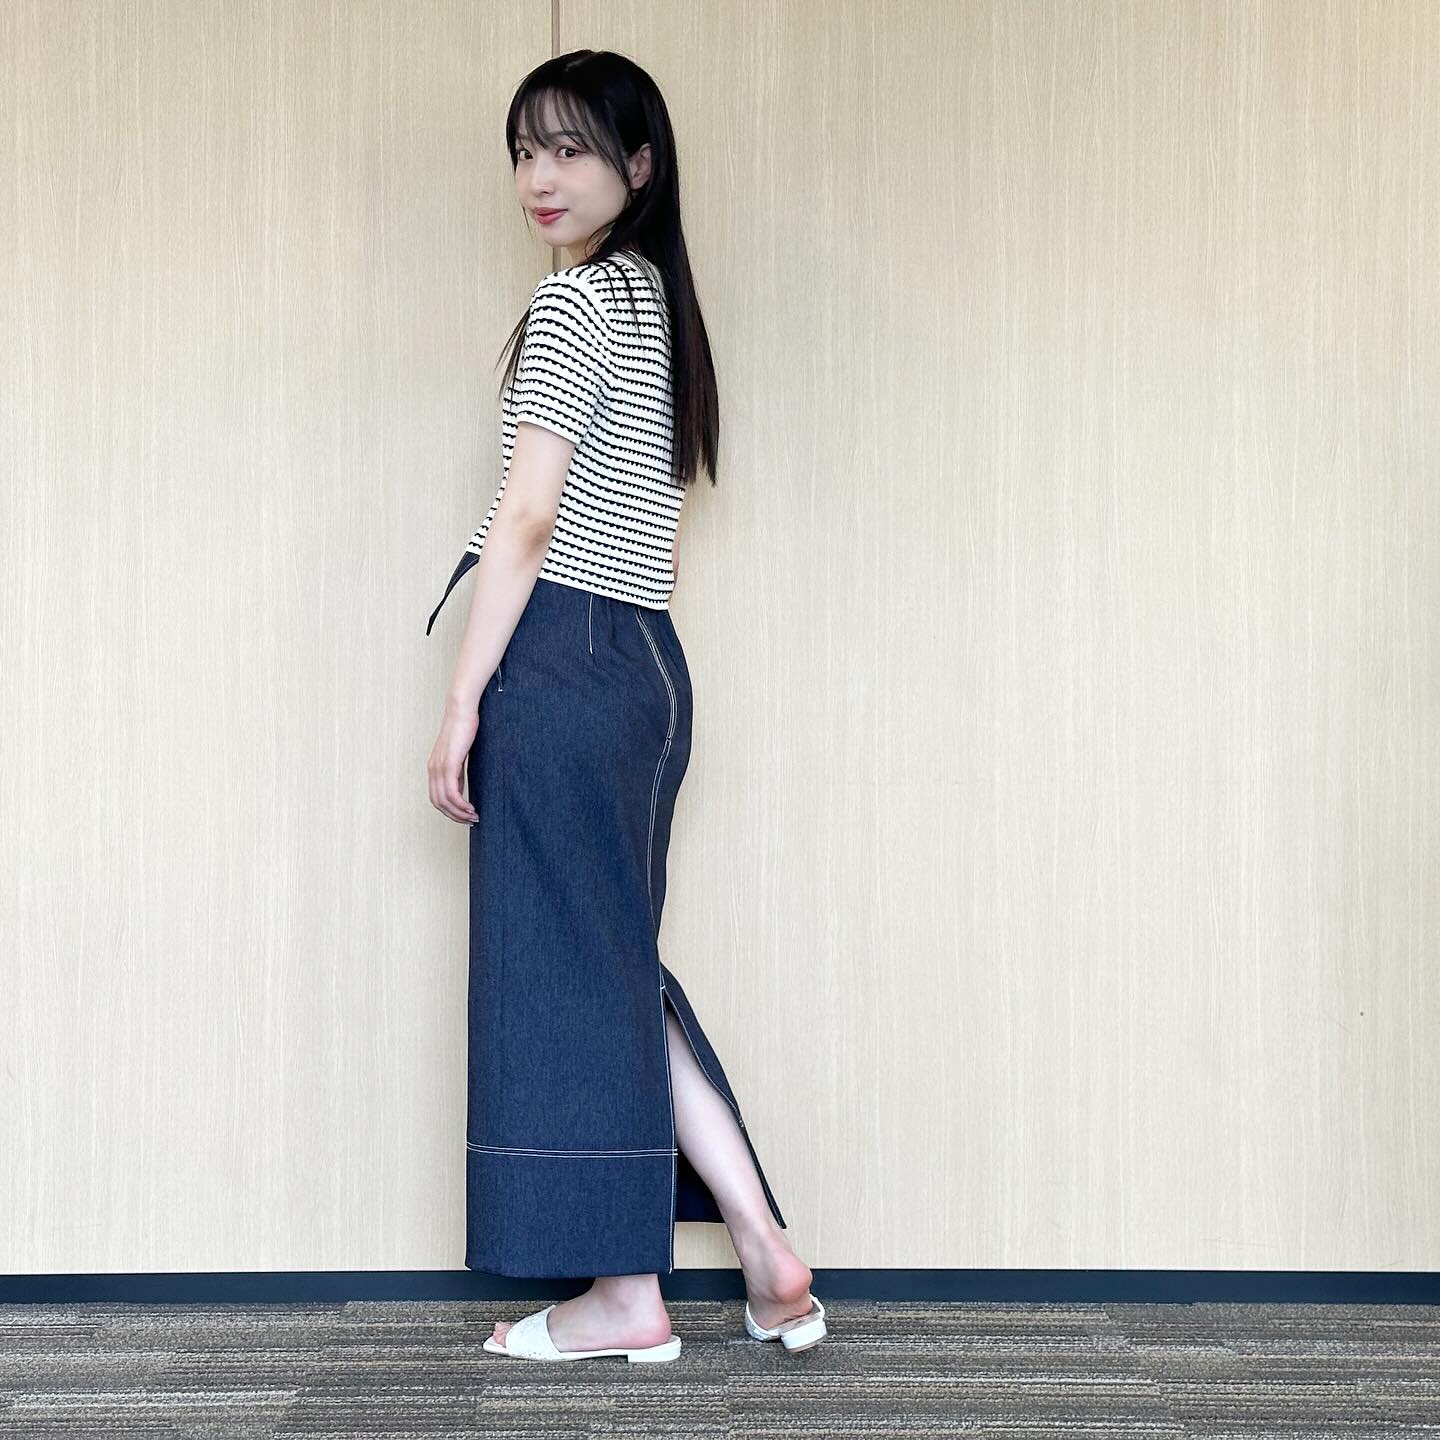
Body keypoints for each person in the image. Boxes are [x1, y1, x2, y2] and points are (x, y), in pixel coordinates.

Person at [424, 51, 826, 1364]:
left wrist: (463, 700)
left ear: (636, 165)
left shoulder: (574, 305)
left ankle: (623, 1296)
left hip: (565, 659)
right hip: (646, 665)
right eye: (523, 150)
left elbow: (527, 519)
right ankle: (763, 1250)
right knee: (612, 975)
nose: (539, 178)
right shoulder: (657, 302)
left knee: (567, 978)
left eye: (570, 149)